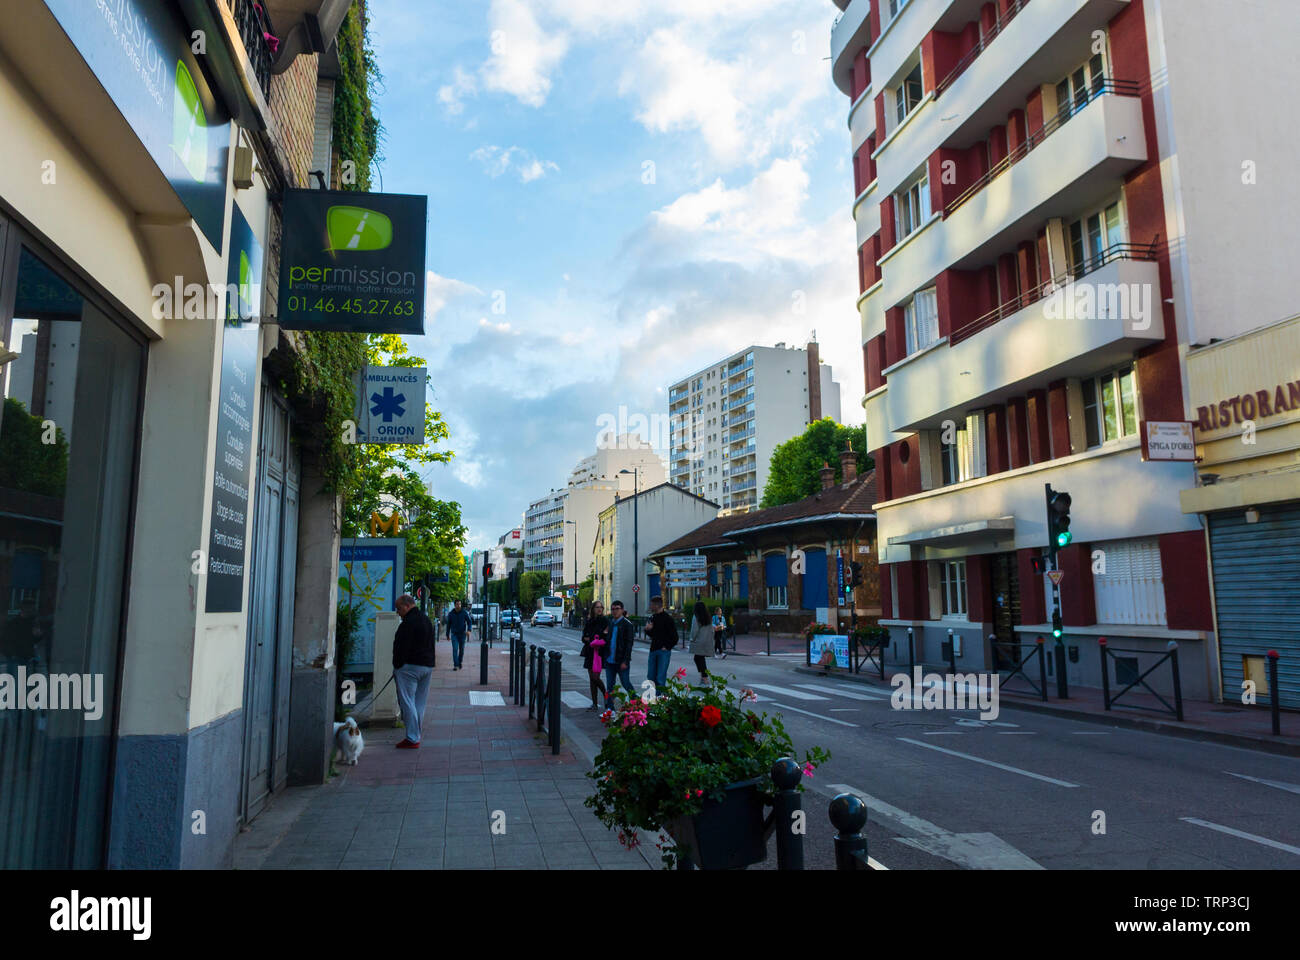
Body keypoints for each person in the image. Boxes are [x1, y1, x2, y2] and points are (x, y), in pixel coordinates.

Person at [393, 594, 436, 749]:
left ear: (407, 605)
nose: (398, 612)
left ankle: (412, 737)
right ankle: (415, 734)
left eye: (399, 608)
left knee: (407, 701)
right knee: (419, 703)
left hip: (409, 667)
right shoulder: (426, 620)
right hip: (427, 666)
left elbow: (401, 646)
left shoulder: (407, 623)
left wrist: (397, 666)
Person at [603, 600, 637, 709]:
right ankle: (609, 708)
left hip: (621, 660)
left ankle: (636, 704)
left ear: (622, 610)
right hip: (610, 660)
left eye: (617, 609)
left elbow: (629, 645)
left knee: (626, 683)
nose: (614, 611)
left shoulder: (627, 625)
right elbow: (608, 641)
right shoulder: (611, 623)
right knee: (609, 687)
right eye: (612, 609)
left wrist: (625, 661)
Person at [644, 594, 678, 694]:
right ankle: (653, 696)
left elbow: (675, 637)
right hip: (653, 649)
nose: (650, 606)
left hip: (663, 651)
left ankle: (659, 700)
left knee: (660, 677)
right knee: (650, 676)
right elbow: (653, 634)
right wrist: (647, 630)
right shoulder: (653, 617)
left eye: (651, 605)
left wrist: (667, 647)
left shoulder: (668, 619)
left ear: (657, 605)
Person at [579, 600, 610, 709]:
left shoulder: (605, 621)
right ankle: (595, 703)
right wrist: (589, 638)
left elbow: (605, 637)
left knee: (595, 677)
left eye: (601, 607)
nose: (599, 609)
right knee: (591, 679)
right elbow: (584, 637)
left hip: (599, 652)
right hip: (589, 651)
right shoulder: (590, 621)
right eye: (597, 607)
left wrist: (591, 638)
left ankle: (606, 695)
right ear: (593, 609)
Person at [689, 601, 713, 684]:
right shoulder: (708, 617)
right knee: (700, 658)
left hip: (699, 641)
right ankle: (703, 677)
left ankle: (704, 677)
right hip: (706, 641)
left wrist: (692, 639)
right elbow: (711, 630)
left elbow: (694, 630)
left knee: (698, 658)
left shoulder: (696, 617)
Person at [445, 599, 472, 671]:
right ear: (455, 605)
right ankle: (456, 665)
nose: (459, 605)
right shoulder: (451, 614)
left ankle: (459, 662)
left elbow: (469, 622)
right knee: (455, 649)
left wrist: (469, 630)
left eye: (460, 604)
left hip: (463, 634)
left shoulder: (464, 612)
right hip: (454, 634)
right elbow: (448, 625)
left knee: (461, 650)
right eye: (457, 604)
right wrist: (447, 635)